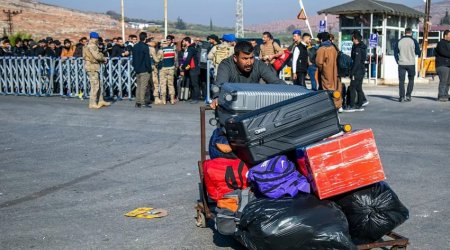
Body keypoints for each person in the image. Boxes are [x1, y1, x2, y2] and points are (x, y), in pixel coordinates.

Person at [210, 41, 286, 109]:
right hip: (232, 105)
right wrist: (217, 97)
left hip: (253, 105)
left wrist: (292, 91)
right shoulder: (226, 65)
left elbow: (276, 81)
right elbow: (220, 84)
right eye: (245, 59)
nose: (249, 63)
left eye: (251, 58)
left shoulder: (259, 65)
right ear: (235, 58)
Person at [83, 32, 111, 109]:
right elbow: (97, 56)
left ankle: (100, 100)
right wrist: (103, 58)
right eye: (96, 38)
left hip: (93, 66)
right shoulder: (92, 46)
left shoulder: (89, 45)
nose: (97, 40)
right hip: (92, 67)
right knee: (95, 85)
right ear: (93, 38)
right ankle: (92, 103)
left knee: (99, 84)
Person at [316, 32, 342, 109]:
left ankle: (329, 107)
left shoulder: (322, 48)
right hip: (335, 72)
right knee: (336, 89)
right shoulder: (333, 48)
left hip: (326, 73)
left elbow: (319, 62)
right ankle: (337, 105)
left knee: (327, 90)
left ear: (321, 39)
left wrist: (321, 70)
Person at [394, 27, 420, 102]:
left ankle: (401, 96)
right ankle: (408, 95)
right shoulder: (414, 41)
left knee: (401, 81)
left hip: (401, 63)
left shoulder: (399, 41)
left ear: (405, 33)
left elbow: (395, 53)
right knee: (411, 80)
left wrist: (397, 61)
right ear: (411, 33)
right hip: (411, 63)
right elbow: (418, 52)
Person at [343, 32, 367, 112]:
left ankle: (351, 105)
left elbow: (356, 62)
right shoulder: (361, 47)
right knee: (359, 88)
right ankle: (359, 104)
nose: (351, 39)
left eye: (352, 38)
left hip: (357, 71)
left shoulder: (358, 49)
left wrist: (352, 73)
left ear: (355, 39)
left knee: (352, 87)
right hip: (361, 70)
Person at [131, 32, 152, 108]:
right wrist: (149, 69)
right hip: (144, 69)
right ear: (145, 38)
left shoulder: (135, 46)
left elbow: (133, 59)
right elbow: (147, 59)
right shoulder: (145, 47)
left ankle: (138, 101)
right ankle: (142, 102)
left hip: (137, 69)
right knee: (143, 87)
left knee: (139, 86)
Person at [180, 37, 201, 104]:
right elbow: (185, 58)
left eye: (183, 42)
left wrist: (183, 67)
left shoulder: (191, 49)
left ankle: (196, 98)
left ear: (187, 42)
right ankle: (193, 97)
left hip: (194, 69)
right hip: (191, 68)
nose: (182, 43)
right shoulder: (189, 48)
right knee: (192, 83)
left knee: (195, 84)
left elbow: (188, 59)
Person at [158, 39, 178, 105]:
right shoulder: (173, 50)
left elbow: (158, 59)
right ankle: (172, 99)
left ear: (162, 44)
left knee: (163, 84)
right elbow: (175, 59)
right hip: (171, 69)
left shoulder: (161, 51)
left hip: (163, 69)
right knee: (171, 84)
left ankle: (163, 100)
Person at [435, 30, 450, 102]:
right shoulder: (441, 43)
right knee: (443, 81)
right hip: (442, 65)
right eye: (449, 35)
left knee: (448, 82)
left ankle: (445, 95)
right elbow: (443, 52)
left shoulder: (448, 43)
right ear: (445, 36)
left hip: (448, 65)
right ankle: (441, 95)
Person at [147, 37, 162, 104]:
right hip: (152, 67)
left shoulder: (144, 47)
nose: (156, 44)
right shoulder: (152, 48)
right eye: (155, 43)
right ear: (151, 42)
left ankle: (147, 98)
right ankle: (156, 98)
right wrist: (160, 56)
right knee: (155, 83)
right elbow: (155, 59)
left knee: (146, 84)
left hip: (144, 67)